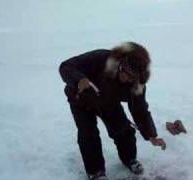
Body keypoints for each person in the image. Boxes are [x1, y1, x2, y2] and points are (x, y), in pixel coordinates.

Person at [59, 42, 166, 180]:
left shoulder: (136, 84)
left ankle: (129, 159)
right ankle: (96, 172)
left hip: (108, 101)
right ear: (120, 63)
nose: (127, 78)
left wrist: (151, 135)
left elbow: (140, 110)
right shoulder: (101, 58)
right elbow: (66, 66)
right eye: (125, 72)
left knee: (124, 130)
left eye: (132, 76)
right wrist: (79, 79)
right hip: (81, 97)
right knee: (88, 133)